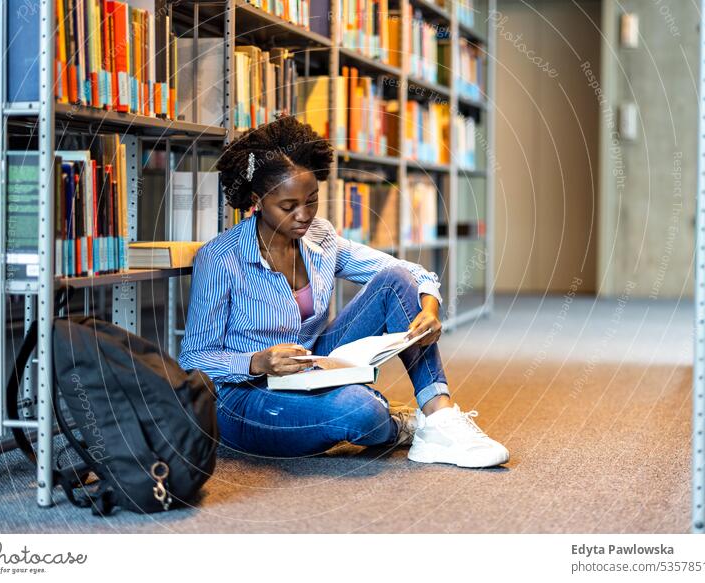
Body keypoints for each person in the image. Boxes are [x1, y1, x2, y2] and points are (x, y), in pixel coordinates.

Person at [179, 116, 509, 468]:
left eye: (312, 200)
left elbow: (408, 274)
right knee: (359, 410)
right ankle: (399, 424)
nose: (303, 216)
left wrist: (429, 307)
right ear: (257, 201)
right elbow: (194, 358)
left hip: (312, 367)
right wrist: (257, 361)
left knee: (395, 280)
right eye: (288, 207)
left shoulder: (321, 236)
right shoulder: (220, 258)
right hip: (246, 398)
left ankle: (439, 417)